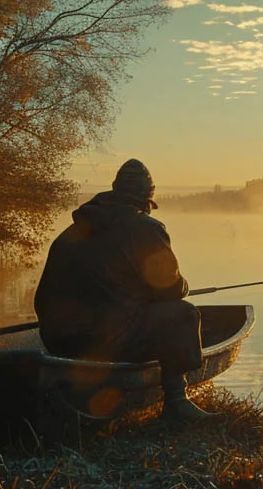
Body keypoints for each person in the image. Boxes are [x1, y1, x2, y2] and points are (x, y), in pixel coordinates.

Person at [34, 158, 220, 422]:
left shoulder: (72, 231)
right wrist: (183, 286)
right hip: (104, 342)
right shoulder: (144, 228)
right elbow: (172, 290)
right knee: (182, 313)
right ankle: (177, 402)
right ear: (146, 198)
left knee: (139, 312)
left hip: (58, 342)